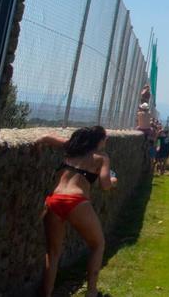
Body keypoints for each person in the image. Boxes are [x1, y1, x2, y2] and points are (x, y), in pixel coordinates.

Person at [36, 126, 118, 297]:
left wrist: (37, 146)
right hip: (77, 202)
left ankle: (46, 293)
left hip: (54, 201)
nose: (106, 142)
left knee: (53, 252)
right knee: (98, 244)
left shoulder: (72, 147)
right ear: (99, 140)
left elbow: (45, 137)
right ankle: (92, 291)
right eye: (105, 138)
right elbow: (104, 185)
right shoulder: (101, 157)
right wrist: (113, 180)